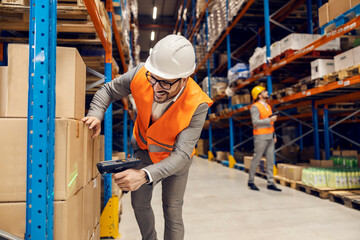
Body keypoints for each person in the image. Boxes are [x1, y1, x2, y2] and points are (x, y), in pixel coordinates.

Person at [82, 34, 213, 240]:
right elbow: (108, 89)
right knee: (139, 204)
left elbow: (181, 154)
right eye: (154, 78)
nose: (157, 88)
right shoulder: (142, 73)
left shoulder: (198, 104)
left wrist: (144, 175)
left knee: (172, 210)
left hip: (176, 160)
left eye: (166, 83)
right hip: (143, 152)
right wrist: (96, 114)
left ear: (184, 79)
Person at [247, 86, 281, 192]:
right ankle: (251, 181)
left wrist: (274, 134)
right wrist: (269, 119)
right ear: (259, 95)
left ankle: (270, 182)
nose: (267, 92)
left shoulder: (268, 106)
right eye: (264, 91)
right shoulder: (255, 107)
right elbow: (255, 122)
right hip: (260, 137)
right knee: (257, 159)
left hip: (270, 136)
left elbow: (271, 122)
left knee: (271, 160)